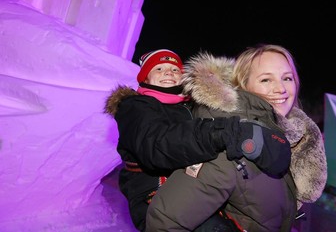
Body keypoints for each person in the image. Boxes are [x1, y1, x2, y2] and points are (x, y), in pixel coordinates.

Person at [104, 49, 291, 232]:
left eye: (175, 69)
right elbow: (158, 144)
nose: (168, 72)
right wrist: (224, 132)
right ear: (145, 78)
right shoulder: (135, 107)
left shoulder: (188, 106)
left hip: (195, 192)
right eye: (159, 69)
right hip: (157, 198)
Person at [146, 44, 327, 232]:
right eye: (266, 80)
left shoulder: (292, 139)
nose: (280, 88)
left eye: (287, 78)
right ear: (243, 85)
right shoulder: (232, 143)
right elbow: (163, 222)